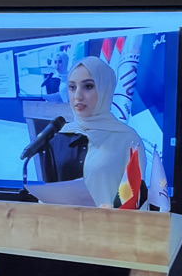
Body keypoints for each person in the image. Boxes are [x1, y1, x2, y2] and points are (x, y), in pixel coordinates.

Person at [59, 55, 145, 206]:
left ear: (105, 89)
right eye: (72, 87)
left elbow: (134, 200)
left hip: (109, 221)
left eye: (88, 86)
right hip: (61, 220)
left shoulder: (128, 140)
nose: (77, 96)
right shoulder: (62, 134)